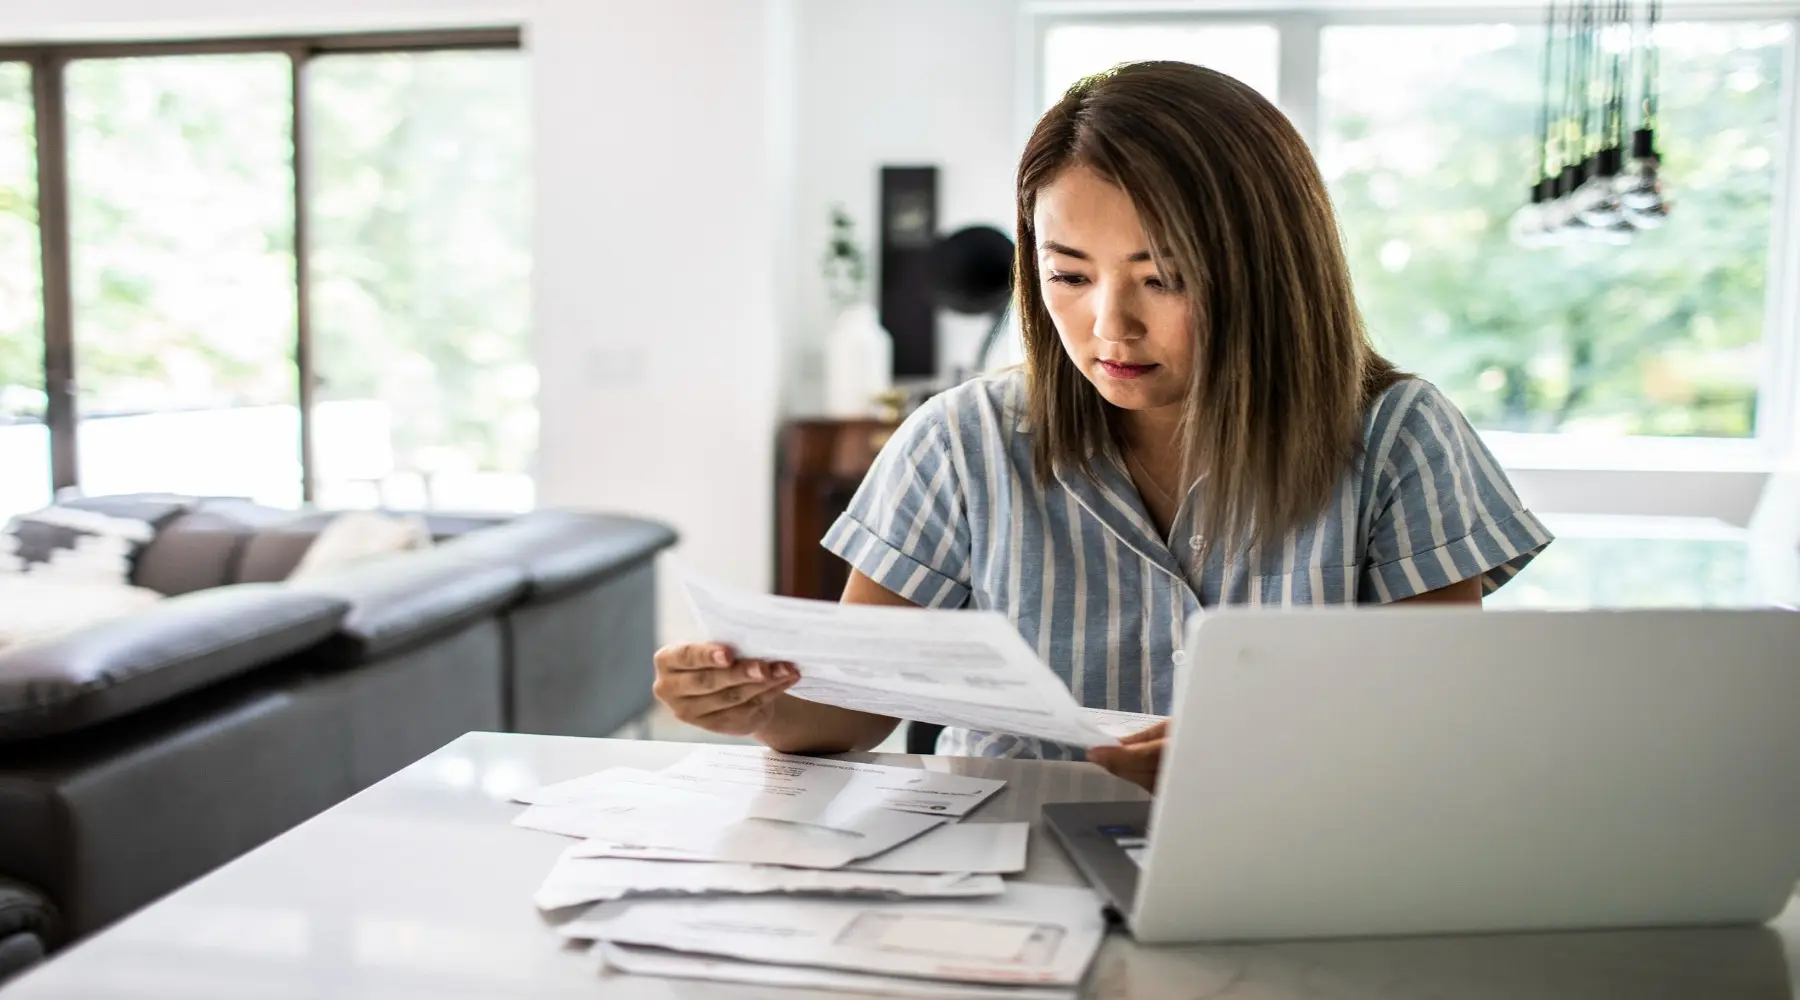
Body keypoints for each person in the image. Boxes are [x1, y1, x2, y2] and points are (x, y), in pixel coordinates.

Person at [652, 61, 1552, 792]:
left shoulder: (1399, 439)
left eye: (1164, 278)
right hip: (1000, 871)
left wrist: (1257, 760)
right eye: (1069, 275)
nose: (1108, 327)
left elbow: (1440, 727)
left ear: (1269, 272)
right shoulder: (961, 440)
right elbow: (853, 710)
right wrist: (756, 704)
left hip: (1292, 862)